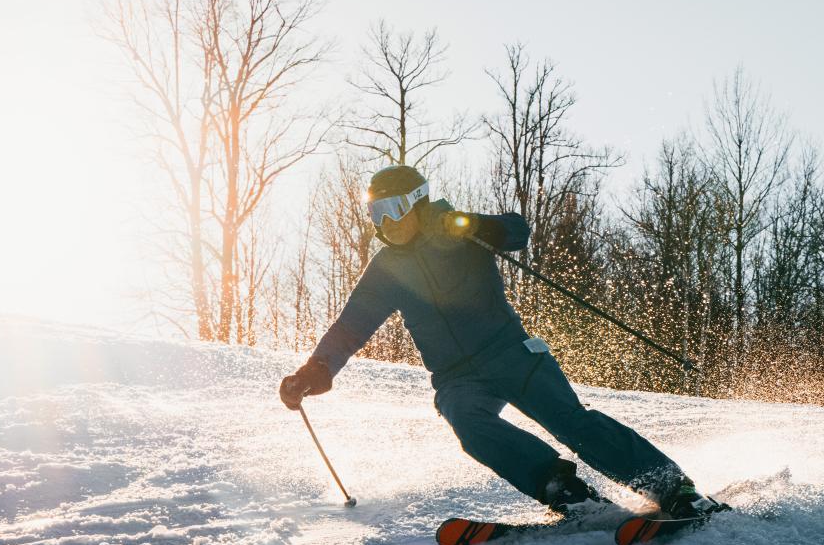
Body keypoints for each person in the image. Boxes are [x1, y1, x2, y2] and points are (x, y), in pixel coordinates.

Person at [279, 164, 725, 520]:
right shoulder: (387, 268)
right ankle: (561, 487)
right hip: (456, 377)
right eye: (377, 213)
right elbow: (350, 327)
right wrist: (315, 371)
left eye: (393, 209)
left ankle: (672, 486)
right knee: (469, 425)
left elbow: (517, 232)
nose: (387, 222)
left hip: (510, 352)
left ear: (417, 202)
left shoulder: (457, 232)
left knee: (570, 422)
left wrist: (466, 224)